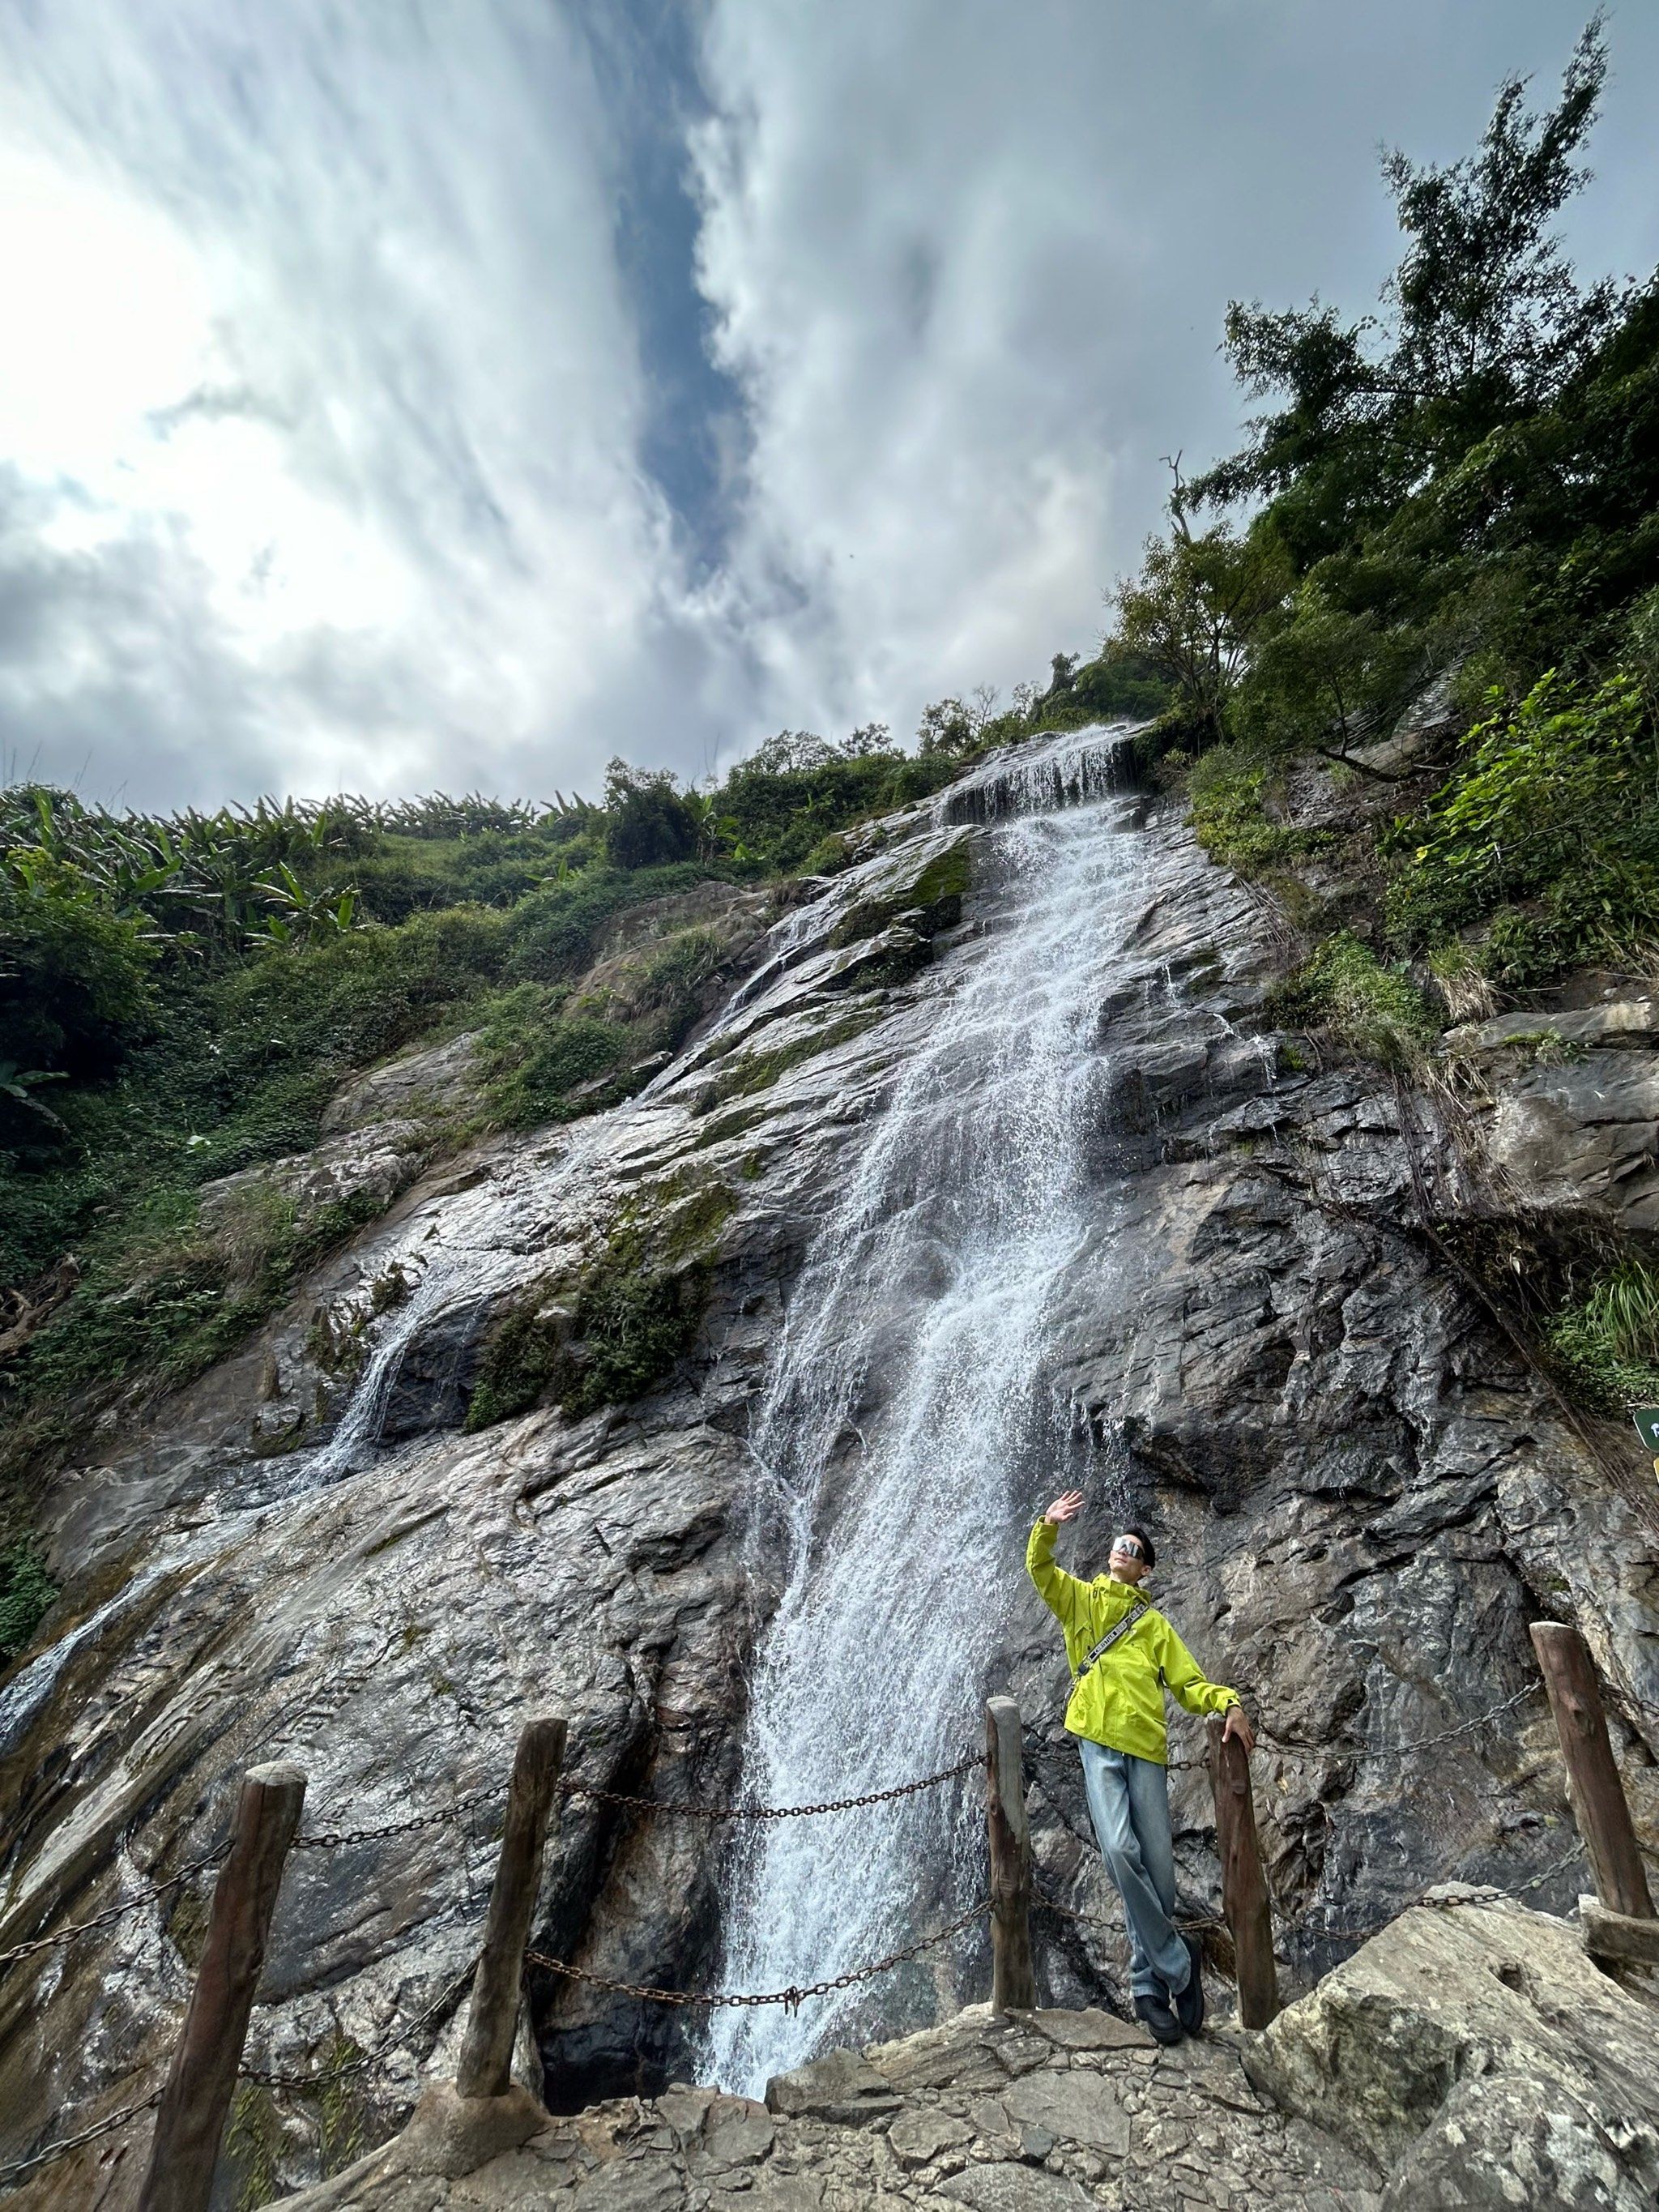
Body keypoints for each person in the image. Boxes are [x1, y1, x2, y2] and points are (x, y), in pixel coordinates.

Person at [1027, 1488, 1253, 2045]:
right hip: (1097, 1741)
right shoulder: (1079, 1602)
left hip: (1147, 1749)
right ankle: (1178, 1964)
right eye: (1119, 1544)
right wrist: (1047, 1524)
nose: (1124, 1550)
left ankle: (1149, 1991)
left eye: (1135, 1548)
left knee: (1160, 1876)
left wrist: (1228, 1702)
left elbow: (1188, 1683)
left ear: (1146, 1568)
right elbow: (1040, 1568)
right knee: (1120, 1851)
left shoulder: (1155, 1627)